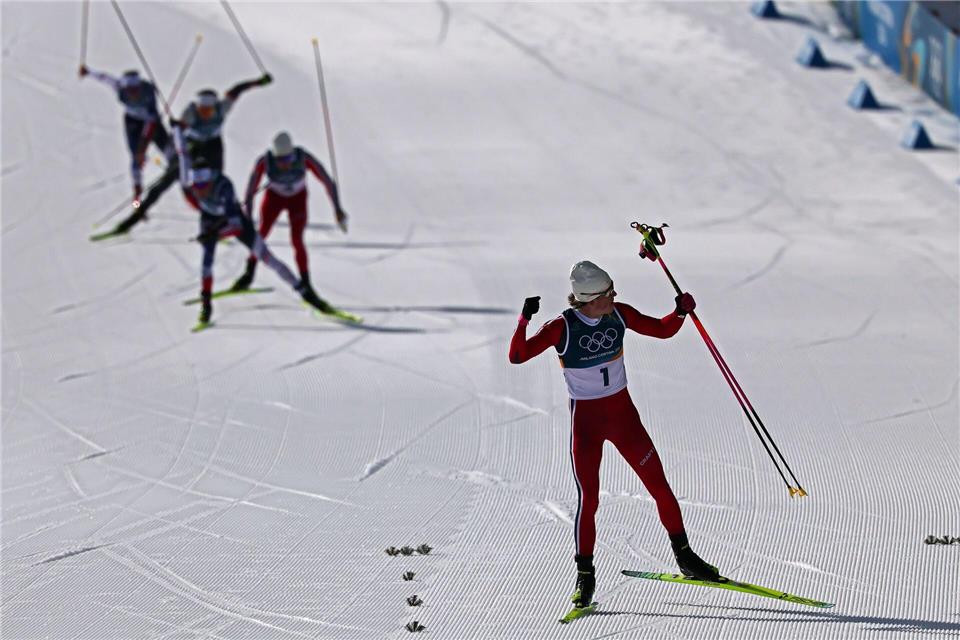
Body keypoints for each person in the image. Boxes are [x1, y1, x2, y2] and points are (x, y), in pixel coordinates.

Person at [508, 260, 719, 609]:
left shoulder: (619, 314)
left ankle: (685, 556)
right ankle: (585, 577)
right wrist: (523, 320)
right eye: (608, 293)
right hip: (587, 426)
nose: (615, 295)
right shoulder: (561, 327)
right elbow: (517, 356)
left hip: (624, 419)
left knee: (660, 486)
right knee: (589, 501)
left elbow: (661, 330)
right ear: (590, 299)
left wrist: (680, 312)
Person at [169, 122, 333, 325]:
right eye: (197, 186)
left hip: (233, 220)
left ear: (210, 180)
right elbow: (183, 155)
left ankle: (305, 293)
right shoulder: (189, 184)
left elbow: (236, 226)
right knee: (206, 262)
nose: (200, 190)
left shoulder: (224, 186)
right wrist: (176, 131)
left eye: (203, 185)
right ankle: (206, 305)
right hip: (210, 220)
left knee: (268, 258)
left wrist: (217, 235)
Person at [109, 73, 272, 235]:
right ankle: (138, 210)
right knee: (164, 182)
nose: (205, 113)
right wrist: (177, 127)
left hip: (213, 147)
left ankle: (224, 219)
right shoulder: (191, 111)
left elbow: (237, 90)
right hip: (193, 147)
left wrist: (258, 81)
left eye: (208, 110)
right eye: (202, 110)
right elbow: (182, 126)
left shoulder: (222, 107)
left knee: (217, 183)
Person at [230, 131, 347, 294]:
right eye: (280, 160)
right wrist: (248, 217)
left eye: (288, 159)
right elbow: (250, 190)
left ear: (293, 154)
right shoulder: (265, 162)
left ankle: (306, 283)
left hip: (297, 200)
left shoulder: (303, 158)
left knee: (297, 240)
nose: (284, 164)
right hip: (274, 199)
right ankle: (249, 273)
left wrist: (337, 207)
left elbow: (326, 180)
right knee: (261, 233)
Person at [79, 65, 172, 203]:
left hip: (151, 122)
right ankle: (137, 191)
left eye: (135, 90)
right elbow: (105, 78)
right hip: (132, 122)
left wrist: (142, 148)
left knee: (165, 147)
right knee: (135, 156)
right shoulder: (120, 88)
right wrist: (88, 72)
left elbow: (150, 125)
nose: (132, 94)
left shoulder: (148, 93)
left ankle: (176, 165)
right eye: (129, 90)